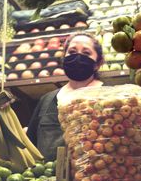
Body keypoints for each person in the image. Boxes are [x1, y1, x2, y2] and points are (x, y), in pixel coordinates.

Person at [26, 32, 104, 161]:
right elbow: (30, 145)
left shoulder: (109, 100)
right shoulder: (47, 100)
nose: (78, 57)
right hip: (49, 179)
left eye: (86, 53)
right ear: (63, 58)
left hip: (94, 178)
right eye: (72, 52)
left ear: (98, 63)